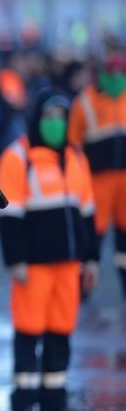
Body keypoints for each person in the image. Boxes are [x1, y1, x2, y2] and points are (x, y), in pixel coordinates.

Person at [0, 89, 99, 411]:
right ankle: (24, 406)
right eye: (50, 116)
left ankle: (56, 400)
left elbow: (87, 214)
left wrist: (91, 260)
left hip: (68, 266)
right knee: (28, 332)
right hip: (33, 267)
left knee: (60, 332)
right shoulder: (17, 158)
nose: (56, 123)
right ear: (37, 118)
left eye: (61, 117)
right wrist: (16, 261)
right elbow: (8, 216)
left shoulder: (75, 157)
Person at [68, 51, 126, 298]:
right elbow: (73, 145)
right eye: (110, 73)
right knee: (93, 235)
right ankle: (83, 289)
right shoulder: (85, 102)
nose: (115, 77)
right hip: (96, 181)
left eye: (119, 73)